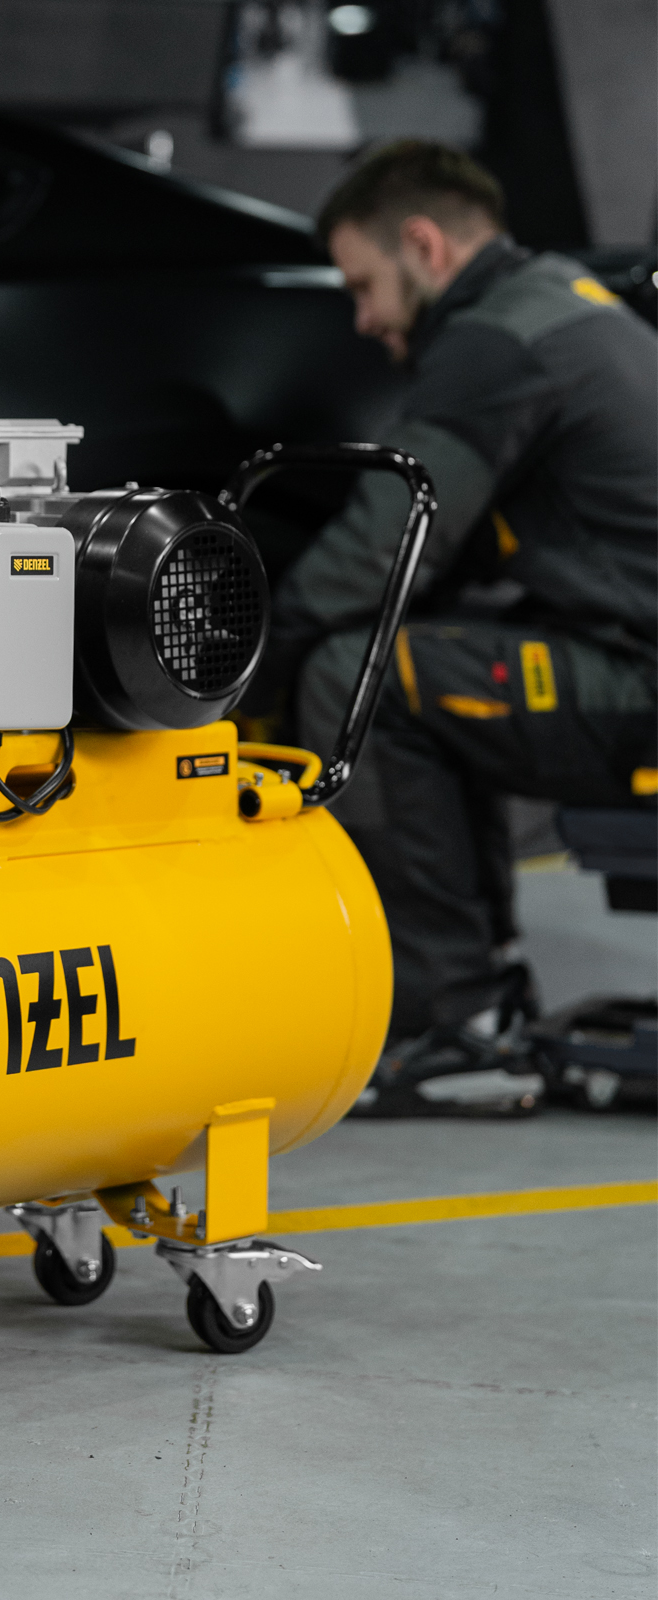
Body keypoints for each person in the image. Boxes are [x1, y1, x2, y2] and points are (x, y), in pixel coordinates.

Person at [252, 140, 657, 1117]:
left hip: (641, 687)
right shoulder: (567, 302)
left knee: (358, 676)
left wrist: (245, 682)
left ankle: (453, 1016)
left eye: (364, 285)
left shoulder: (494, 344)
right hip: (633, 655)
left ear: (425, 245)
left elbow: (383, 547)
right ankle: (483, 987)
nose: (363, 320)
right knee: (431, 658)